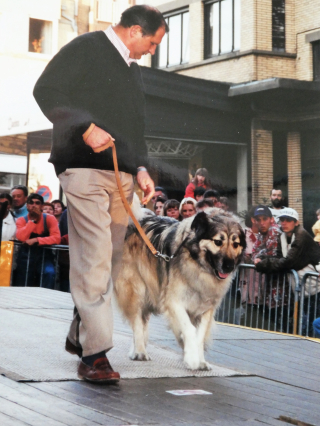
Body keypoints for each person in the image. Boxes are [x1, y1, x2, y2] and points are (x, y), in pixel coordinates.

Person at [33, 5, 168, 383]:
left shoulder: (133, 70)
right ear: (135, 31)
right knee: (93, 258)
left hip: (121, 175)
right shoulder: (85, 47)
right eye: (153, 43)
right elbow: (45, 90)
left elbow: (136, 126)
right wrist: (85, 128)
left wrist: (140, 168)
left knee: (108, 262)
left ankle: (81, 334)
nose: (152, 51)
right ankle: (95, 355)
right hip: (83, 170)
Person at [12, 193, 61, 288]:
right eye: (31, 203)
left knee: (49, 273)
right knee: (23, 280)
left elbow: (57, 238)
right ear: (27, 206)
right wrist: (33, 221)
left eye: (37, 203)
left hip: (44, 256)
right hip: (25, 257)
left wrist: (36, 240)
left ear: (42, 206)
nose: (34, 205)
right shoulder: (21, 220)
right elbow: (21, 237)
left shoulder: (50, 218)